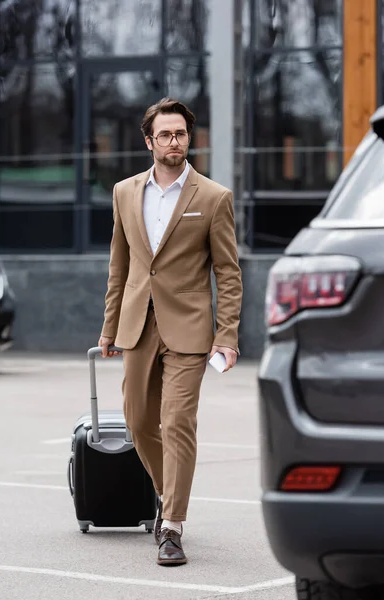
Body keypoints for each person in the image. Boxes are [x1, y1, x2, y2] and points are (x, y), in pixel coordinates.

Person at [98, 97, 242, 566]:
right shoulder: (124, 192)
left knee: (178, 421)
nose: (173, 141)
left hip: (191, 328)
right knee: (139, 422)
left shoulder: (214, 197)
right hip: (138, 324)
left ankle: (173, 526)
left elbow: (229, 272)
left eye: (180, 133)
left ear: (189, 139)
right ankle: (166, 495)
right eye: (165, 134)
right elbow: (119, 266)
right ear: (149, 141)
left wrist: (227, 334)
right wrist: (109, 327)